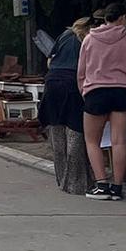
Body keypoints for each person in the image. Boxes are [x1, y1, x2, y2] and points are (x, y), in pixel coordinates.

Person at [77, 2, 126, 201]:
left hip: (96, 91)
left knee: (92, 141)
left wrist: (84, 91)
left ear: (105, 18)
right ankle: (117, 186)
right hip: (123, 91)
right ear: (123, 18)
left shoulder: (89, 39)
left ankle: (101, 184)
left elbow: (81, 71)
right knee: (119, 141)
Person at [40, 17, 96, 194]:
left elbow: (50, 60)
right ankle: (76, 183)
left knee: (57, 133)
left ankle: (61, 179)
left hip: (52, 84)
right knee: (75, 133)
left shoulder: (64, 36)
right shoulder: (86, 40)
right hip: (72, 85)